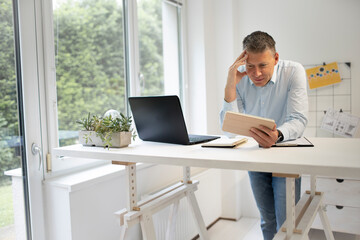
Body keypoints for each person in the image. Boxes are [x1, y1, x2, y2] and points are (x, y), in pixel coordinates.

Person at [220, 31, 308, 239]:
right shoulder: (239, 77)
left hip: (286, 155)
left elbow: (298, 119)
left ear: (276, 58)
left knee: (286, 222)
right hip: (256, 156)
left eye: (263, 65)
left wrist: (277, 135)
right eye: (250, 66)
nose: (256, 73)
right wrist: (230, 84)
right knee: (267, 219)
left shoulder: (293, 71)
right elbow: (229, 128)